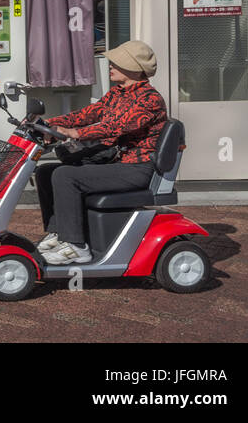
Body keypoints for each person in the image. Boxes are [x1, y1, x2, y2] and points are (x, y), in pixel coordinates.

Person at [32, 40, 167, 266]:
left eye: (117, 63)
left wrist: (74, 133)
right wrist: (49, 123)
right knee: (45, 172)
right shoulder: (117, 94)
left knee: (65, 176)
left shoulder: (150, 100)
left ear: (133, 68)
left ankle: (77, 246)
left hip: (136, 168)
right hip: (116, 163)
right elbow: (88, 114)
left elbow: (116, 126)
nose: (110, 66)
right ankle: (59, 233)